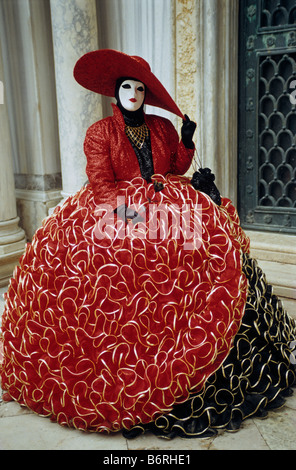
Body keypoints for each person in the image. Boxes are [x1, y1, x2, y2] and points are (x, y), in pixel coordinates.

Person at [0, 50, 295, 438]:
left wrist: (186, 142)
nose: (134, 94)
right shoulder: (99, 132)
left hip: (166, 196)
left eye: (140, 88)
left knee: (204, 242)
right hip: (117, 209)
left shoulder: (160, 126)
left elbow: (175, 167)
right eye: (127, 87)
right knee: (120, 256)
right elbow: (102, 186)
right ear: (116, 92)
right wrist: (134, 222)